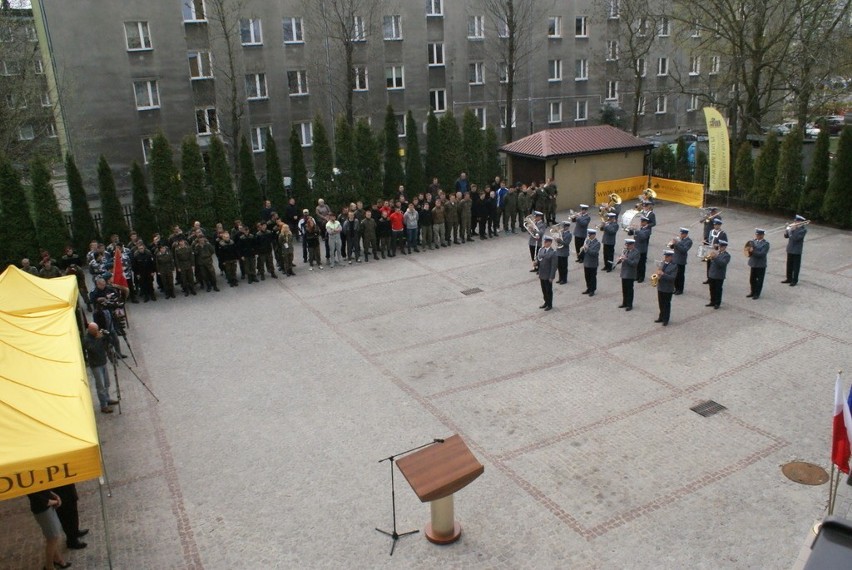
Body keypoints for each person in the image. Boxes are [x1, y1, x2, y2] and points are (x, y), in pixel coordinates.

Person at [28, 489, 71, 569]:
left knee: (53, 536)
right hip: (43, 510)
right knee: (52, 538)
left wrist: (54, 495)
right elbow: (42, 500)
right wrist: (56, 501)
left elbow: (44, 489)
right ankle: (49, 566)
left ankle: (57, 559)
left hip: (47, 508)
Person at [82, 322, 120, 413]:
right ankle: (103, 405)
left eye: (97, 329)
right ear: (90, 330)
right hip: (95, 365)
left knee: (106, 383)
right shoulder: (86, 339)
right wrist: (99, 339)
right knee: (101, 385)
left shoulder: (97, 336)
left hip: (103, 362)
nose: (97, 332)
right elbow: (93, 349)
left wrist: (106, 338)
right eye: (95, 330)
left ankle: (107, 399)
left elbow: (107, 344)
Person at [54, 484, 88, 550]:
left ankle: (75, 532)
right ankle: (71, 540)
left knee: (73, 512)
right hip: (59, 491)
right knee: (66, 515)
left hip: (67, 487)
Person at [654, 250, 678, 326]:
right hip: (660, 286)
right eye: (665, 256)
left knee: (666, 304)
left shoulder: (674, 266)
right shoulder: (663, 263)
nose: (665, 258)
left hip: (668, 288)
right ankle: (661, 317)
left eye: (667, 257)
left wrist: (663, 274)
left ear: (671, 257)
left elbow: (672, 278)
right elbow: (659, 270)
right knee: (660, 303)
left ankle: (666, 319)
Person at [782, 215, 807, 286]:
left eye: (797, 221)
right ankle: (788, 278)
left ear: (801, 222)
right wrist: (786, 230)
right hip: (790, 248)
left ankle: (794, 280)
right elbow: (786, 236)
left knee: (796, 266)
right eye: (795, 221)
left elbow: (796, 238)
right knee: (789, 265)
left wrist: (792, 231)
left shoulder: (803, 230)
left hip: (796, 250)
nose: (795, 222)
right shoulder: (793, 228)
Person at [706, 240, 730, 309]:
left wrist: (715, 257)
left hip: (719, 276)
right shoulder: (716, 253)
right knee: (712, 289)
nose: (720, 248)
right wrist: (708, 257)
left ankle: (717, 303)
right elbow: (706, 260)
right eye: (719, 246)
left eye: (722, 246)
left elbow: (722, 264)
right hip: (712, 274)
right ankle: (712, 301)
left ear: (725, 247)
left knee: (718, 290)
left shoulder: (726, 255)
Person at [702, 218, 728, 283]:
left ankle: (713, 278)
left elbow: (725, 242)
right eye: (714, 225)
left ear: (719, 225)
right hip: (710, 249)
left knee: (714, 264)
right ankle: (709, 278)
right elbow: (709, 239)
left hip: (717, 251)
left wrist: (718, 245)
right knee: (708, 264)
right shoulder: (711, 231)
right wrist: (705, 241)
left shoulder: (723, 233)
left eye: (717, 225)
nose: (715, 226)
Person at [536, 234, 558, 311]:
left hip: (548, 275)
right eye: (544, 241)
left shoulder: (553, 253)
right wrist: (536, 262)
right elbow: (539, 258)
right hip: (542, 273)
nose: (544, 243)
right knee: (544, 290)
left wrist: (552, 277)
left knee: (548, 290)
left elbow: (554, 266)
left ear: (549, 243)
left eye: (546, 242)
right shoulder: (542, 249)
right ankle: (546, 302)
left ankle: (549, 304)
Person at [747, 228, 769, 299]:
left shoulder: (765, 244)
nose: (757, 236)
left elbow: (762, 254)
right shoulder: (753, 241)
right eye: (756, 234)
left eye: (759, 235)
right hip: (753, 263)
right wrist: (749, 251)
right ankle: (752, 292)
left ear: (762, 235)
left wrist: (753, 251)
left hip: (760, 264)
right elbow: (748, 251)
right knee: (752, 279)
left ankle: (757, 293)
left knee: (759, 280)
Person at [618, 238, 640, 311]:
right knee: (624, 289)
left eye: (628, 245)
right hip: (624, 272)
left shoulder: (636, 252)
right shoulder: (625, 251)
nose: (627, 246)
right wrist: (619, 259)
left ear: (632, 245)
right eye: (627, 245)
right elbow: (621, 260)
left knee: (629, 290)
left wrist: (626, 259)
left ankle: (629, 304)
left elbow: (634, 263)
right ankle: (624, 302)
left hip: (630, 273)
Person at [630, 217, 652, 283]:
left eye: (643, 222)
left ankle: (641, 277)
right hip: (636, 248)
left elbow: (643, 237)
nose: (641, 223)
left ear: (646, 222)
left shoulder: (648, 230)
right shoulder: (640, 228)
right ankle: (637, 276)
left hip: (642, 249)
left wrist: (637, 230)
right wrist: (631, 229)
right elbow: (630, 234)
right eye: (641, 222)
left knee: (641, 264)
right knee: (637, 263)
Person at [672, 228, 693, 295]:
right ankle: (675, 288)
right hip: (675, 258)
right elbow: (673, 247)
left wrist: (677, 243)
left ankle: (680, 289)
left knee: (680, 276)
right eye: (680, 233)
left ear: (685, 234)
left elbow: (684, 250)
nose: (680, 235)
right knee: (675, 274)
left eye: (682, 234)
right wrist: (672, 244)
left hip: (681, 260)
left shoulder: (689, 241)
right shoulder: (679, 239)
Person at [581, 229, 600, 296]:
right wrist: (583, 249)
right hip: (586, 262)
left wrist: (587, 248)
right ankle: (588, 288)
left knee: (592, 277)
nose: (589, 236)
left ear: (594, 235)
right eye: (588, 234)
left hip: (592, 263)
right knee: (587, 277)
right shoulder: (587, 241)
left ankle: (592, 290)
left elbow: (594, 253)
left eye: (590, 235)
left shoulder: (597, 243)